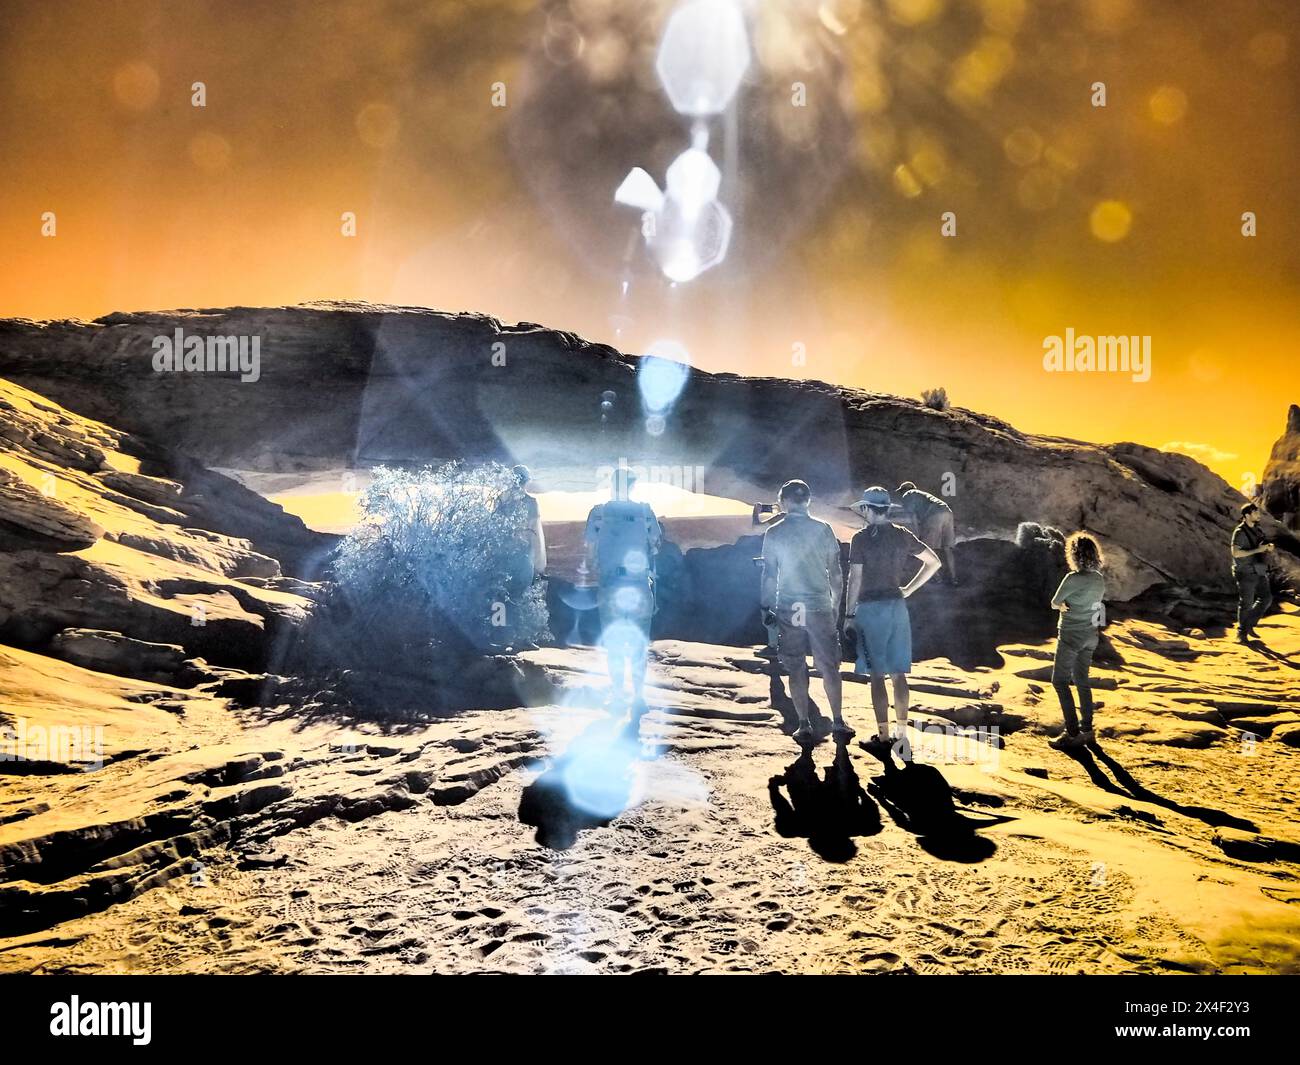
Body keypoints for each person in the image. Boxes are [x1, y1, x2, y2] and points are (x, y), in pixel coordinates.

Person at [845, 486, 942, 752]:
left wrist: (848, 615)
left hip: (870, 608)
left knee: (877, 675)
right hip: (897, 607)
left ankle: (884, 737)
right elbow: (933, 562)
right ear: (887, 509)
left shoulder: (861, 539)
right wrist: (908, 589)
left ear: (866, 509)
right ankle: (902, 734)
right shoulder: (902, 536)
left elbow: (855, 579)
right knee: (898, 674)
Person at [760, 479, 849, 745]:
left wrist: (766, 606)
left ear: (784, 501)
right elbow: (835, 573)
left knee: (796, 664)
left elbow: (769, 574)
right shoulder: (823, 529)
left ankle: (803, 724)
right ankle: (838, 721)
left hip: (791, 606)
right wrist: (835, 606)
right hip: (819, 604)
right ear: (808, 500)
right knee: (828, 665)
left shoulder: (775, 532)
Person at [584, 467, 662, 709]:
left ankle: (618, 694)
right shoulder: (645, 512)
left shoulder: (598, 514)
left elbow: (590, 555)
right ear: (632, 486)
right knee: (639, 643)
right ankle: (638, 696)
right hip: (638, 585)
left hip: (611, 586)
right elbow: (656, 547)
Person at [1047, 532, 1106, 750]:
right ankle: (1087, 731)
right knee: (1082, 680)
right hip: (1091, 635)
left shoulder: (1073, 578)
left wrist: (1063, 606)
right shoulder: (1098, 579)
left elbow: (1055, 602)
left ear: (1074, 555)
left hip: (1071, 634)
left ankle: (1071, 733)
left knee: (1060, 682)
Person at [896, 481, 958, 585]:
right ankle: (954, 578)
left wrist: (916, 535)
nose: (901, 494)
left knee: (928, 549)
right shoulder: (923, 495)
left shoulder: (909, 494)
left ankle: (936, 578)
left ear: (905, 490)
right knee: (947, 548)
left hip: (933, 515)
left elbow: (913, 517)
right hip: (947, 511)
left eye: (901, 491)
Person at [1231, 501, 1274, 643]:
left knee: (1266, 598)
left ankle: (1248, 624)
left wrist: (1268, 547)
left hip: (1259, 570)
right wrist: (1258, 550)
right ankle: (1241, 633)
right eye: (1255, 512)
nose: (1258, 515)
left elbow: (1262, 545)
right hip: (1245, 571)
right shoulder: (1240, 532)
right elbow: (1236, 553)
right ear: (1247, 515)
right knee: (1246, 603)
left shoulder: (1257, 530)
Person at [511, 464, 547, 580]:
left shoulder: (501, 500)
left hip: (505, 556)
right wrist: (539, 566)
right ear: (527, 481)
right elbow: (535, 535)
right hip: (524, 557)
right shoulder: (530, 502)